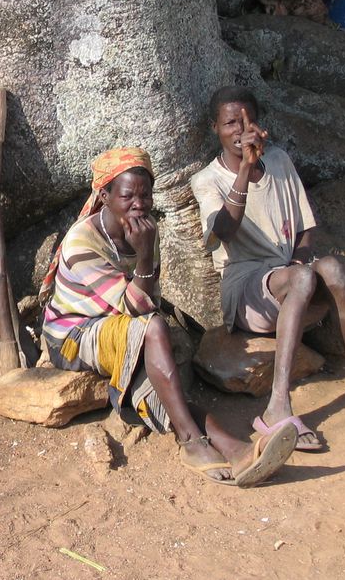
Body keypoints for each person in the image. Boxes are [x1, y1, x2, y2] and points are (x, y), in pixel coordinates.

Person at [39, 148, 298, 487]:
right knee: (154, 329)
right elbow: (138, 309)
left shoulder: (146, 230)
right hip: (73, 336)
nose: (139, 203)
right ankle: (191, 443)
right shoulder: (82, 241)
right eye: (127, 195)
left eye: (145, 194)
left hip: (122, 328)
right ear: (104, 196)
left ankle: (238, 450)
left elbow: (149, 301)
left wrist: (146, 255)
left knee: (169, 392)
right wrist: (144, 256)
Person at [190, 86, 345, 451]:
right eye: (231, 122)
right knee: (304, 276)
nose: (240, 129)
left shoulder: (278, 160)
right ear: (214, 126)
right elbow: (224, 231)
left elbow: (307, 228)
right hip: (247, 291)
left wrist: (299, 260)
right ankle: (277, 406)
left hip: (294, 280)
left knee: (334, 271)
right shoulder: (207, 180)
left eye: (248, 120)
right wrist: (245, 169)